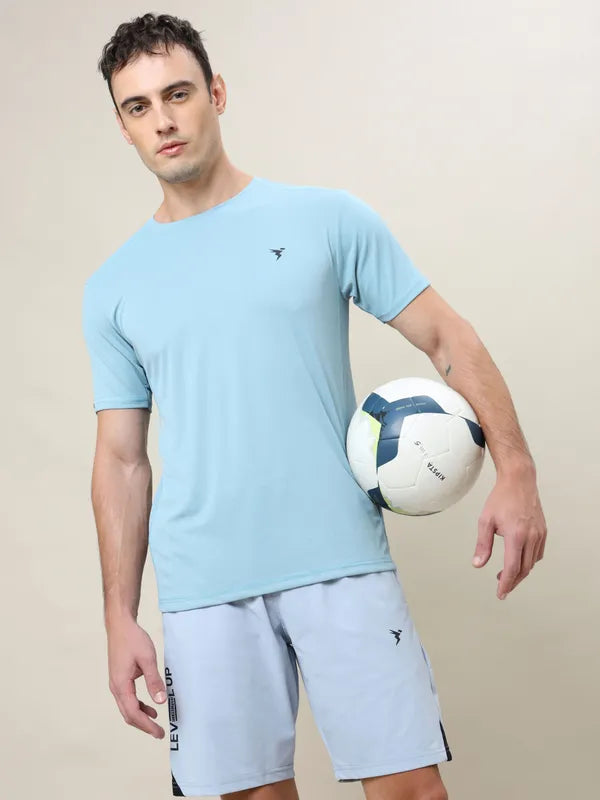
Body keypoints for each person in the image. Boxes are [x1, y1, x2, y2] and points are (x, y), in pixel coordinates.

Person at [83, 13, 546, 800]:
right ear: (123, 127)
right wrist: (117, 616)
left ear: (216, 93)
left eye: (178, 93)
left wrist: (517, 468)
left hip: (341, 560)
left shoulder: (326, 219)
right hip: (204, 586)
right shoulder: (113, 287)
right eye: (138, 106)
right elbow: (121, 460)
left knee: (410, 792)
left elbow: (445, 335)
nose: (162, 120)